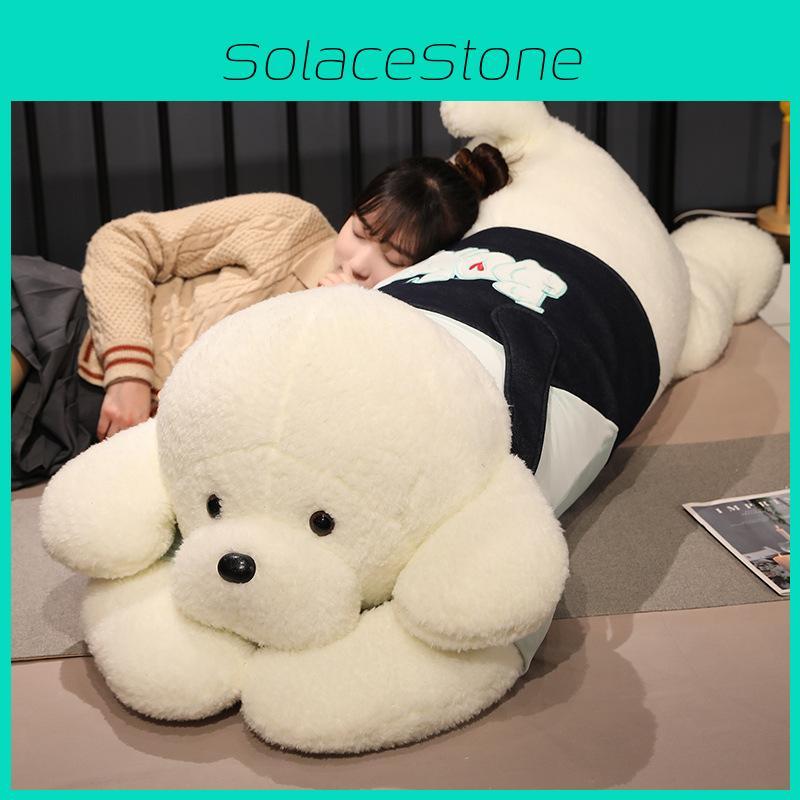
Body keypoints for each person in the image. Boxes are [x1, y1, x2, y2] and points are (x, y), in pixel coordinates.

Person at [11, 143, 510, 488]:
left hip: (86, 435)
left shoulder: (392, 336)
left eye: (393, 258)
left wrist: (339, 315)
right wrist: (129, 374)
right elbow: (125, 241)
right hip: (68, 329)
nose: (358, 262)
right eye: (359, 231)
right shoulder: (287, 224)